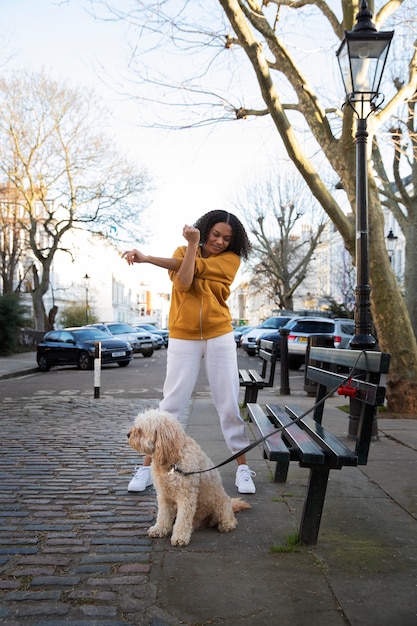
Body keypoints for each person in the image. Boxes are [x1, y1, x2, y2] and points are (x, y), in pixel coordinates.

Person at [122, 210, 256, 494]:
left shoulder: (230, 260)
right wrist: (193, 246)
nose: (220, 241)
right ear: (206, 229)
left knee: (229, 403)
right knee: (170, 404)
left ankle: (243, 468)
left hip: (219, 332)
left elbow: (194, 269)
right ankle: (146, 468)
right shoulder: (184, 250)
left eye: (227, 238)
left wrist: (147, 258)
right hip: (183, 334)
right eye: (216, 234)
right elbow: (184, 280)